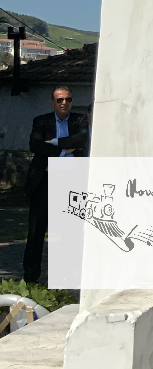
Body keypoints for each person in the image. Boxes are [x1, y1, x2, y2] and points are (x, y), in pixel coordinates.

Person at [23, 85, 90, 284]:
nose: (64, 103)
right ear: (53, 102)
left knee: (69, 232)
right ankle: (30, 278)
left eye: (68, 99)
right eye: (60, 100)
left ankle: (66, 278)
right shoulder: (41, 121)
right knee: (36, 231)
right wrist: (63, 151)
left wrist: (52, 142)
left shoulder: (80, 119)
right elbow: (35, 145)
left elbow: (81, 139)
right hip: (44, 181)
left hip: (71, 182)